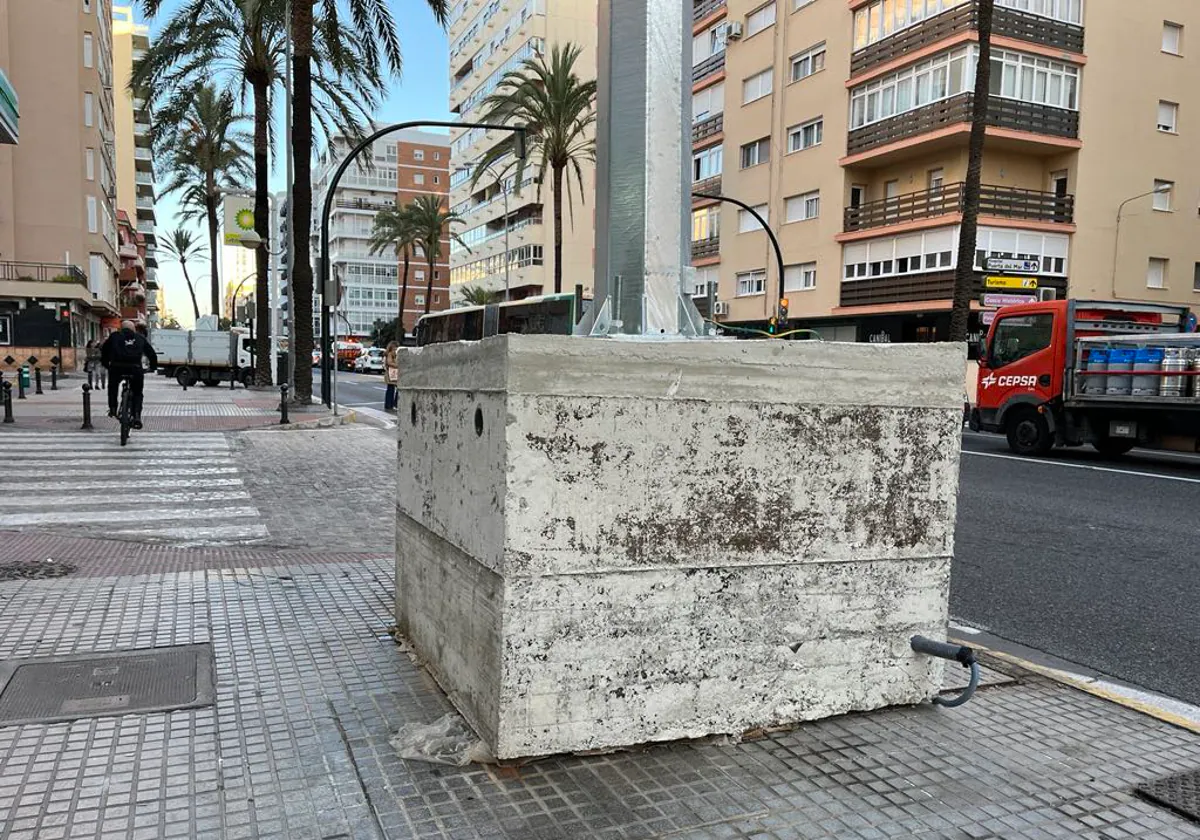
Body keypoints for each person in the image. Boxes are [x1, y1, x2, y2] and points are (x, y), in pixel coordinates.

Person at [100, 320, 157, 428]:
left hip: (116, 368)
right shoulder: (140, 338)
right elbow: (152, 354)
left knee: (113, 387)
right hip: (135, 369)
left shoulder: (114, 336)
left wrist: (106, 364)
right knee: (137, 392)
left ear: (121, 328)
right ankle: (136, 416)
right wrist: (152, 367)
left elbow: (104, 351)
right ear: (133, 329)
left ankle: (112, 408)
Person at [383, 341, 400, 411]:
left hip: (393, 374)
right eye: (395, 348)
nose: (396, 350)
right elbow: (389, 362)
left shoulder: (392, 354)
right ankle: (391, 404)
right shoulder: (390, 354)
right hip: (391, 374)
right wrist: (398, 365)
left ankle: (390, 404)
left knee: (392, 389)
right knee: (391, 389)